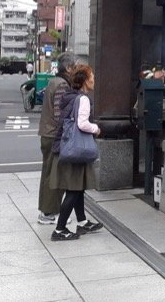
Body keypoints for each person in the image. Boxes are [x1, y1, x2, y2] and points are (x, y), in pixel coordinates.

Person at [50, 64, 104, 241]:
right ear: (85, 81)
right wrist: (95, 128)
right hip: (76, 150)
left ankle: (81, 221)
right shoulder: (83, 99)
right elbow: (82, 124)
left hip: (66, 147)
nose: (94, 79)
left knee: (77, 188)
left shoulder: (70, 96)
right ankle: (59, 230)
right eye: (92, 76)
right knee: (73, 190)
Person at [36, 52, 79, 226]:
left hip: (47, 134)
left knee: (48, 174)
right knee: (53, 175)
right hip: (54, 135)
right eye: (74, 66)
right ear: (68, 68)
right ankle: (49, 213)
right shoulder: (62, 84)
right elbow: (59, 114)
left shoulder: (54, 82)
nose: (76, 70)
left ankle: (47, 211)